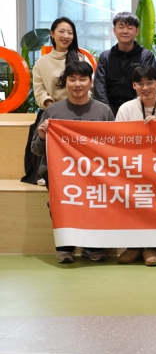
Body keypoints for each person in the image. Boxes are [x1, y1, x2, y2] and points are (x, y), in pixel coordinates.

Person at [31, 60, 115, 264]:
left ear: (91, 82)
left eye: (82, 79)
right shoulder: (52, 112)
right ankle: (64, 247)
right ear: (66, 82)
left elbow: (114, 148)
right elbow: (36, 150)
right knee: (62, 204)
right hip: (59, 173)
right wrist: (42, 136)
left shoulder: (104, 111)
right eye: (72, 79)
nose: (77, 84)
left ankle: (92, 246)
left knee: (95, 202)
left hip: (94, 173)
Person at [114, 65, 156, 266]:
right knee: (131, 201)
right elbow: (117, 141)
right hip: (133, 169)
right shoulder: (126, 109)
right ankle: (134, 247)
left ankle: (152, 248)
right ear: (134, 86)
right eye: (140, 83)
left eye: (150, 82)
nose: (145, 88)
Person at [94, 12, 156, 115]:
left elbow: (148, 84)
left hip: (137, 108)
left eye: (130, 28)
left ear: (137, 31)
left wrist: (132, 108)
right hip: (109, 108)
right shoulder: (105, 57)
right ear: (114, 30)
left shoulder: (146, 56)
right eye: (121, 27)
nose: (125, 31)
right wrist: (105, 109)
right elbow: (99, 84)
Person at [33, 17, 92, 110]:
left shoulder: (82, 59)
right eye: (61, 31)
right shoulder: (41, 63)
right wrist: (53, 109)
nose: (66, 36)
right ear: (52, 33)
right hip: (52, 111)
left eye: (70, 33)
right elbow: (40, 92)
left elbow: (90, 87)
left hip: (79, 110)